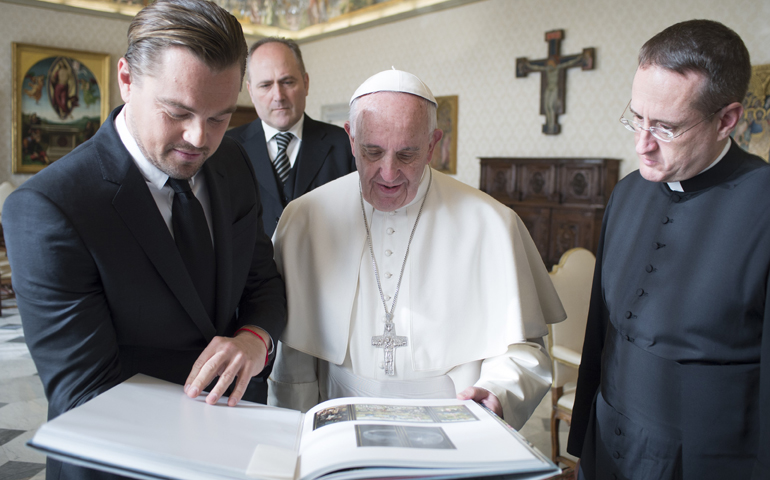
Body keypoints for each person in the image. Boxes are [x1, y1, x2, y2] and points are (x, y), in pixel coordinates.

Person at [3, 1, 286, 478]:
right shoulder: (50, 207)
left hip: (238, 449)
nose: (199, 138)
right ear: (126, 79)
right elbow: (85, 394)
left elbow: (262, 282)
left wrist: (254, 339)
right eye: (178, 112)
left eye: (220, 117)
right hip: (121, 463)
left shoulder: (233, 164)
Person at [267, 69, 566, 429]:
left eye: (407, 154)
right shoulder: (306, 219)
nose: (388, 173)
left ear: (432, 144)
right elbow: (295, 357)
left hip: (453, 425)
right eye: (372, 151)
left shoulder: (491, 223)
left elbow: (524, 352)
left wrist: (498, 392)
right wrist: (294, 433)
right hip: (338, 426)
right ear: (350, 138)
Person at [567, 20, 769, 480]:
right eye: (636, 117)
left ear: (727, 120)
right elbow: (601, 332)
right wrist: (581, 442)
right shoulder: (626, 192)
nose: (642, 144)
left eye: (666, 127)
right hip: (606, 448)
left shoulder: (764, 203)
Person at [226, 37, 356, 238]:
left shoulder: (345, 145)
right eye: (266, 85)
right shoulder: (226, 149)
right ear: (251, 92)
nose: (278, 96)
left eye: (287, 82)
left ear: (306, 83)